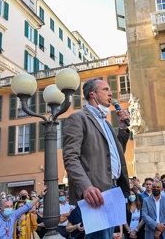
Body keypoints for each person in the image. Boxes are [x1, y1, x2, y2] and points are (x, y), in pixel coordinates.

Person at [63, 78, 131, 239]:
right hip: (95, 191)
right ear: (92, 94)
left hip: (113, 190)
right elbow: (70, 157)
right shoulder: (78, 118)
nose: (111, 93)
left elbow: (115, 154)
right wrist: (86, 187)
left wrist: (122, 128)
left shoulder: (106, 124)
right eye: (106, 89)